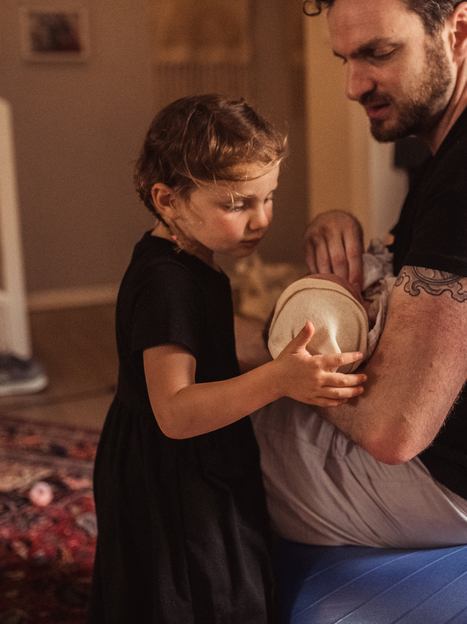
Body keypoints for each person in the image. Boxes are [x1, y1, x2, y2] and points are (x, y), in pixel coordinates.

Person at [252, 0, 467, 549]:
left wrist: (280, 371)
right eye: (344, 58)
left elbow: (394, 429)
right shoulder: (461, 147)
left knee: (194, 435)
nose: (352, 85)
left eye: (378, 53)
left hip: (456, 487)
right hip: (463, 465)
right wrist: (339, 235)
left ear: (458, 31)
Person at [87, 94, 367, 623]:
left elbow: (207, 338)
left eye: (268, 198)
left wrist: (276, 343)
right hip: (168, 473)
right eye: (237, 204)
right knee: (196, 589)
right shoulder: (166, 282)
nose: (260, 219)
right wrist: (278, 379)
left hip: (196, 455)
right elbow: (175, 411)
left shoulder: (191, 259)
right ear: (167, 200)